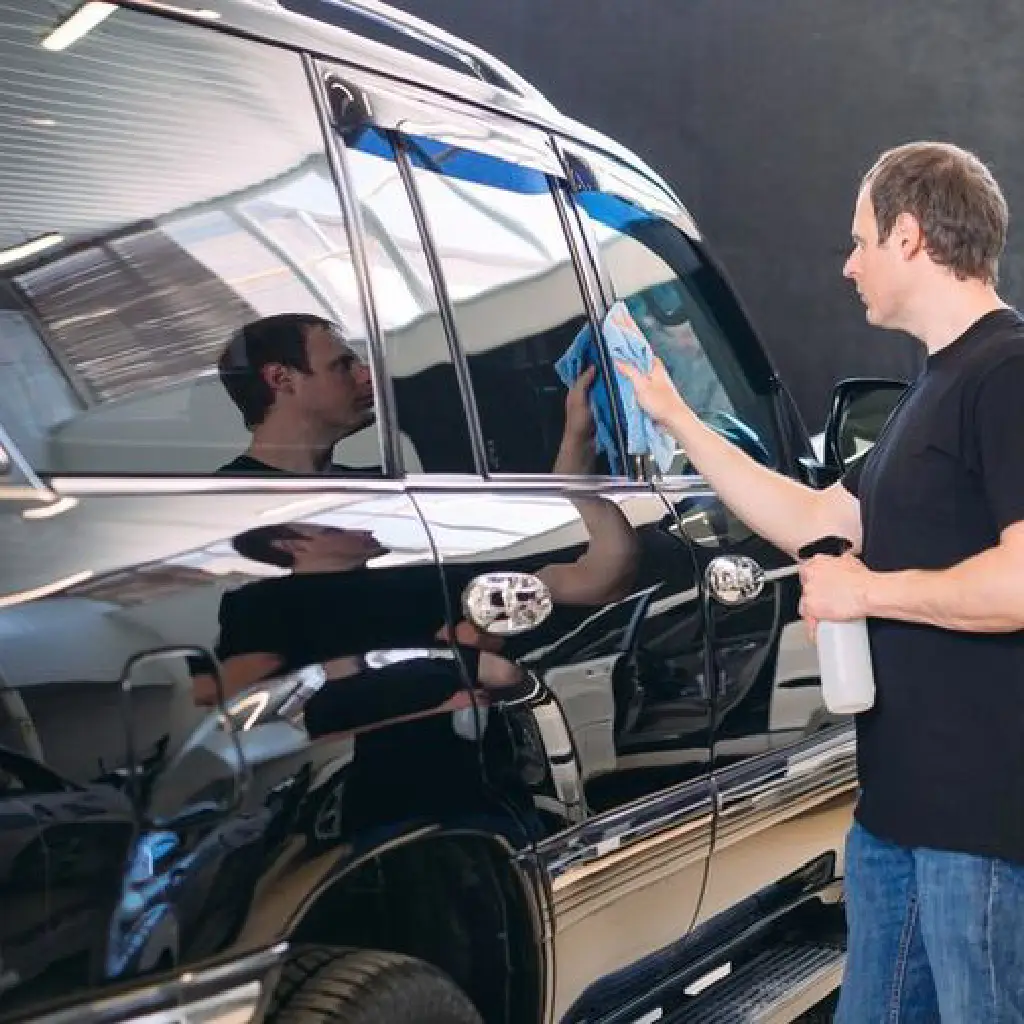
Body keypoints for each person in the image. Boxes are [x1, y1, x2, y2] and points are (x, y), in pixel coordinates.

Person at [618, 141, 1024, 1022]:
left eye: (860, 241)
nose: (849, 266)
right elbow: (812, 518)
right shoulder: (931, 391)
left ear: (909, 238)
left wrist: (865, 594)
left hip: (985, 831)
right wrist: (677, 417)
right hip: (897, 820)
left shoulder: (1008, 373)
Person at [217, 313, 376, 474]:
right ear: (280, 378)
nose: (369, 376)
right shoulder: (226, 496)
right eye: (343, 366)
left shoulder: (378, 488)